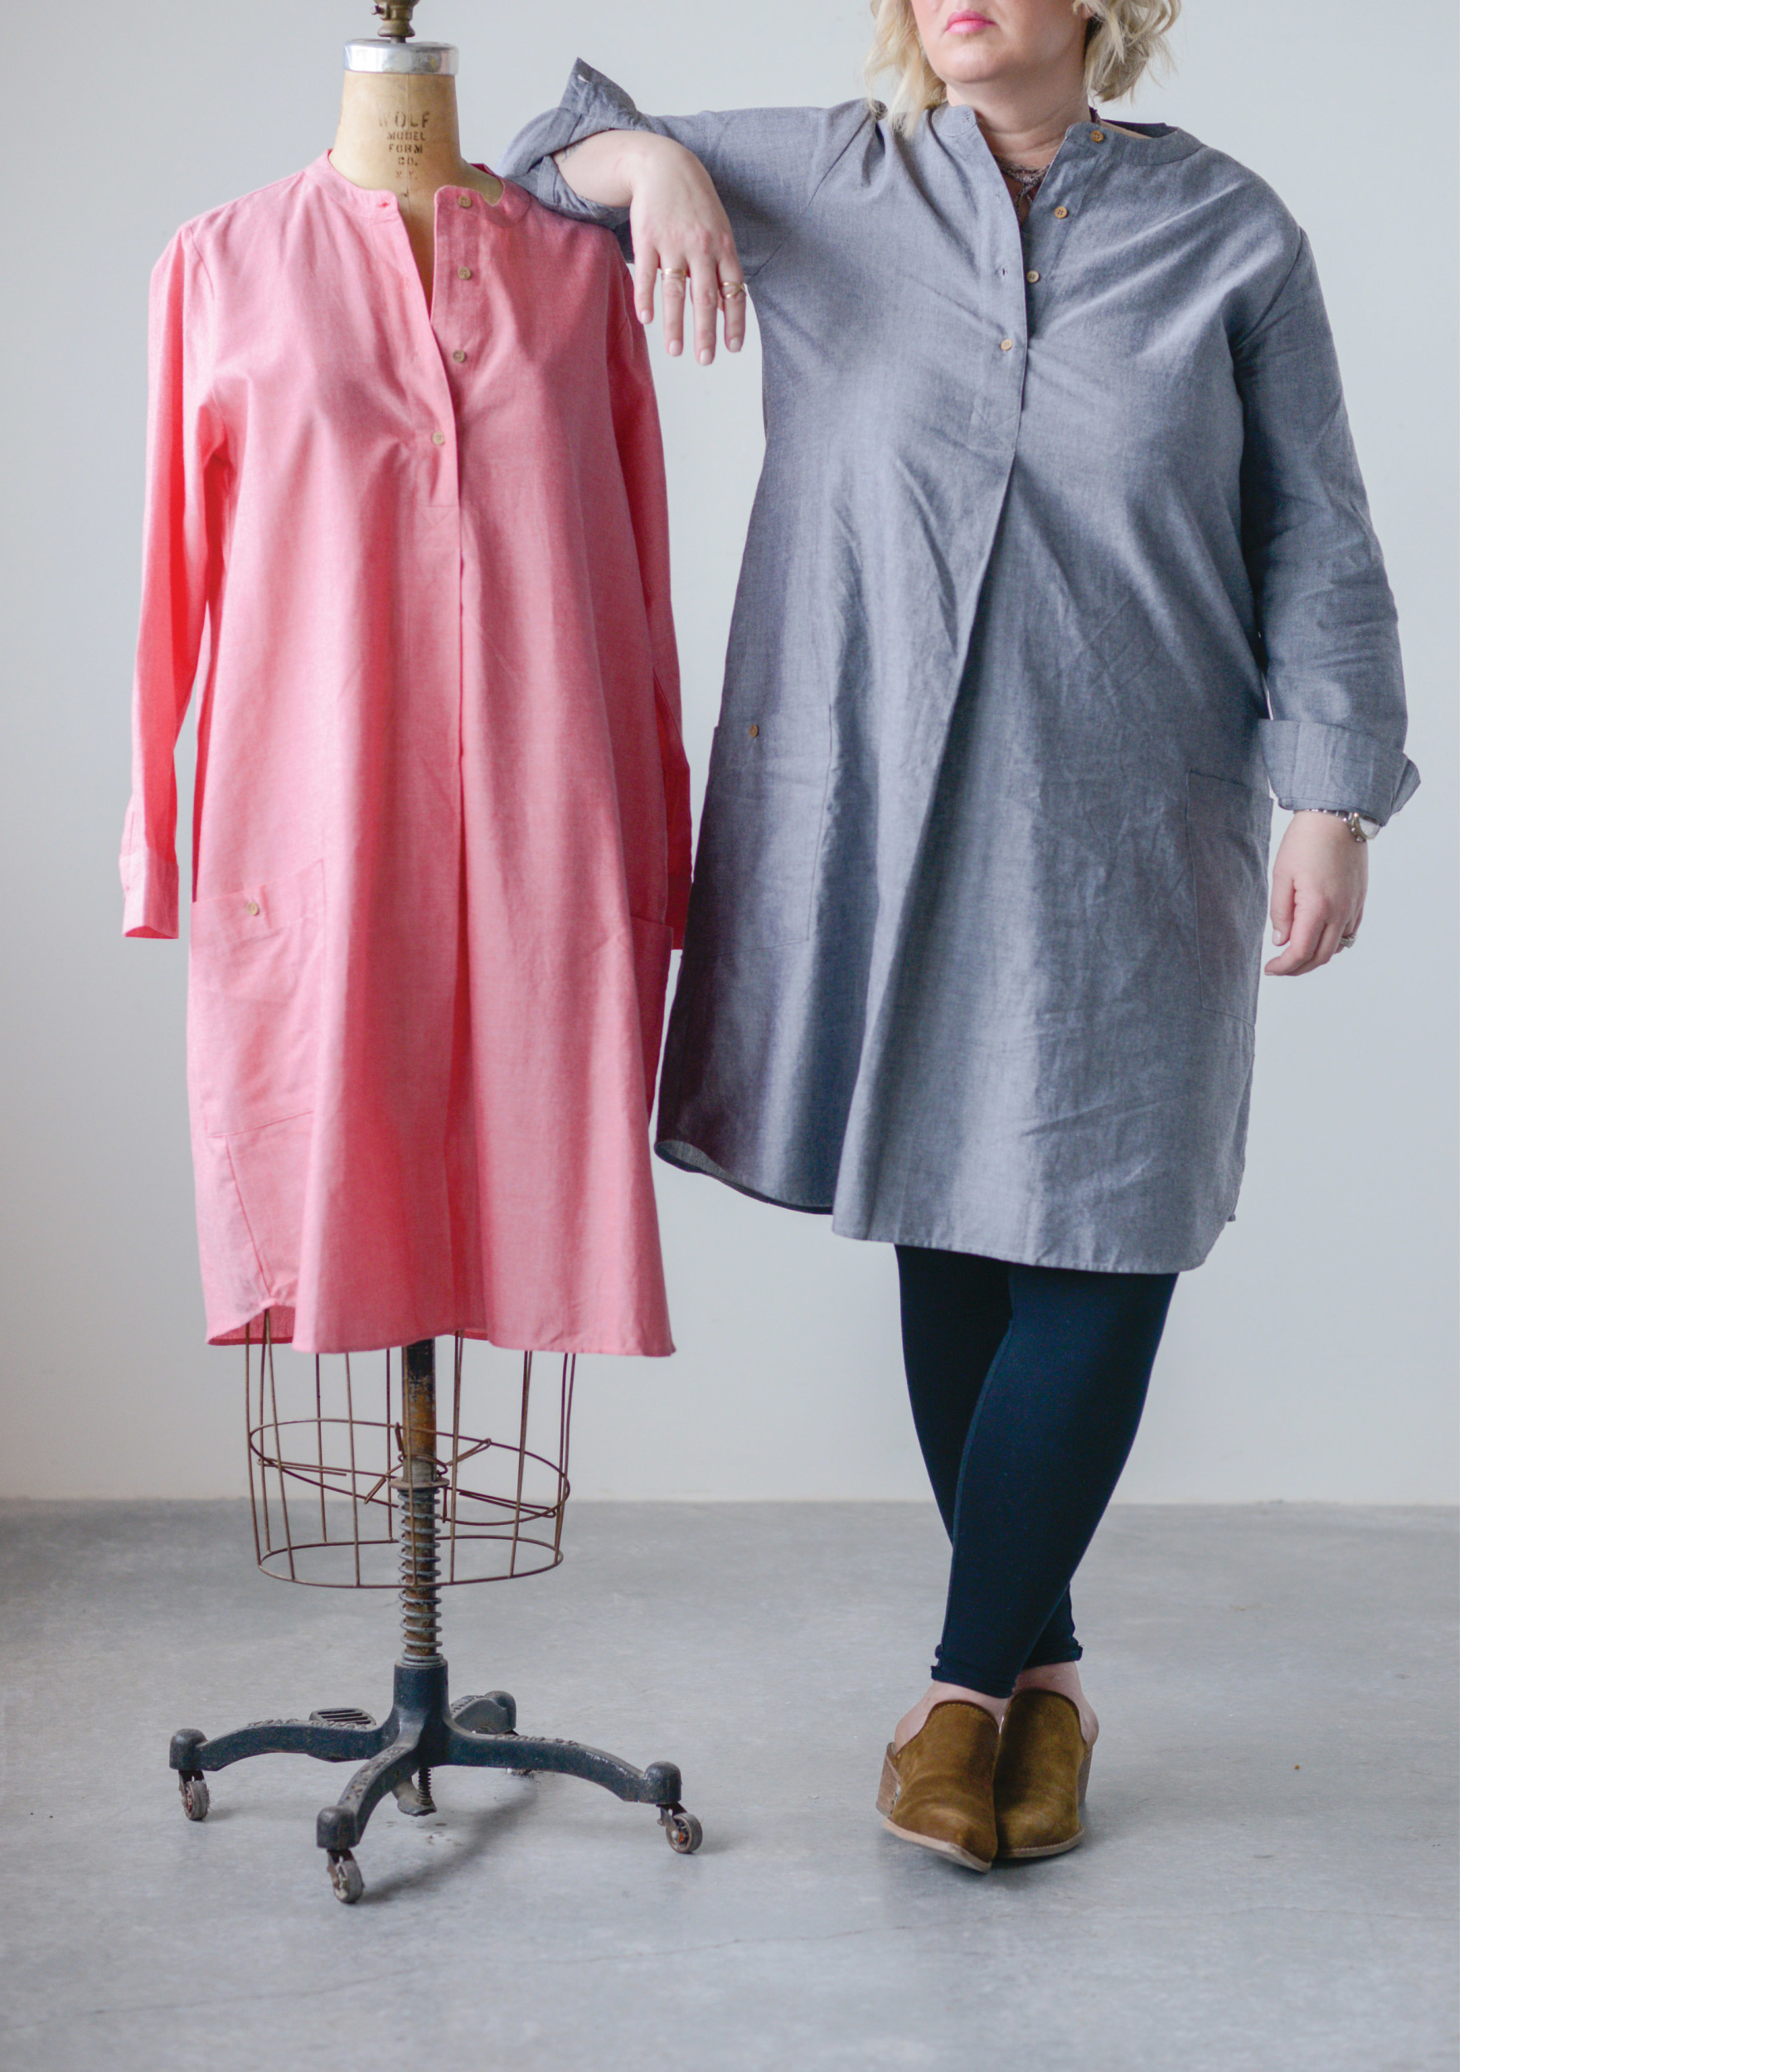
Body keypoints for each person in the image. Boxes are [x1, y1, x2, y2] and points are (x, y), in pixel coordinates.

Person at [502, 0, 1418, 1873]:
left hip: (1130, 811)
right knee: (953, 1223)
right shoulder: (822, 178)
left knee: (1109, 1232)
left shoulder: (1228, 233)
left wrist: (1330, 794)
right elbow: (535, 162)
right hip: (880, 805)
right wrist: (652, 160)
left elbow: (1313, 529)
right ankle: (1042, 1683)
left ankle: (955, 1690)